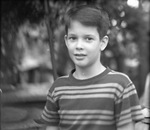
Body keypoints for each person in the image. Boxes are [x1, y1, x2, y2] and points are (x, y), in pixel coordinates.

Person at [36, 5, 144, 130]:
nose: (79, 46)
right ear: (66, 41)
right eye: (73, 38)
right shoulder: (57, 88)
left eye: (88, 39)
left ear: (102, 43)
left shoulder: (121, 85)